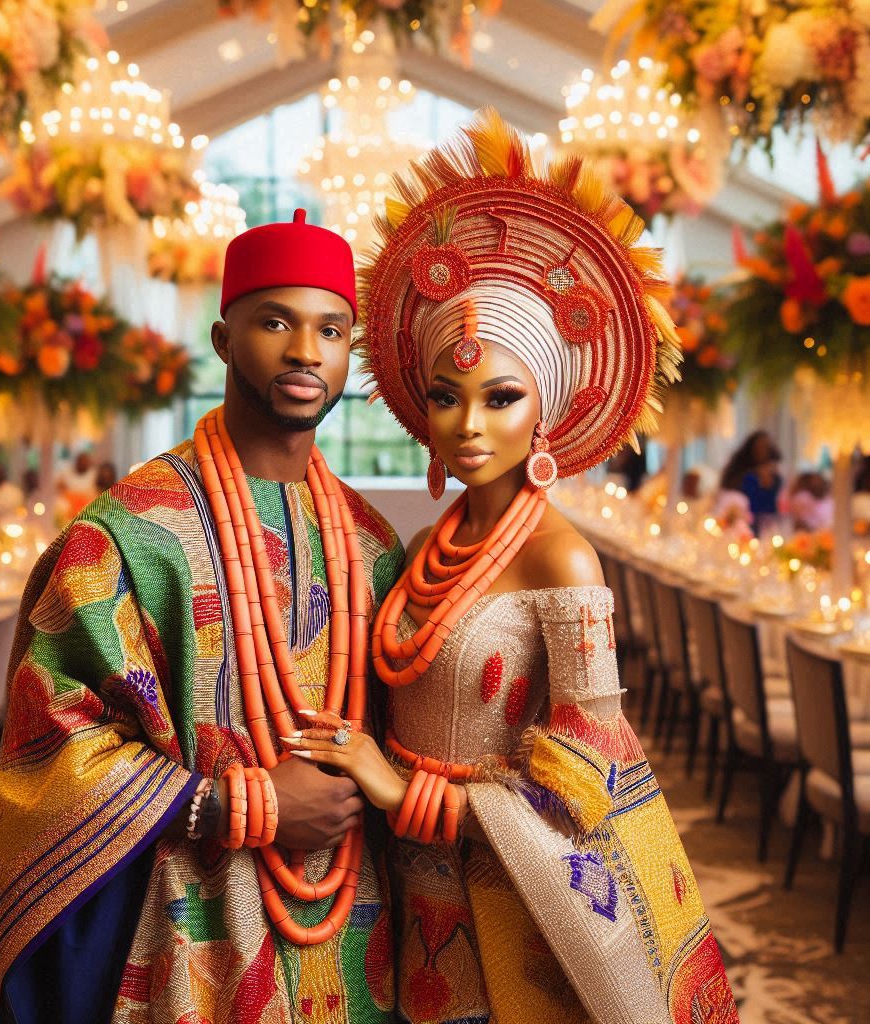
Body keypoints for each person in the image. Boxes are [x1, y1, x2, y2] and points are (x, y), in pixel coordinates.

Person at [285, 111, 738, 1023]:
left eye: (501, 396)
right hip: (405, 893)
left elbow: (589, 779)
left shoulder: (562, 557)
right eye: (446, 397)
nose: (469, 424)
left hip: (514, 912)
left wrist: (399, 788)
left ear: (548, 410)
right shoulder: (421, 550)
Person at [0, 210, 404, 1023]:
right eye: (274, 321)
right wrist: (232, 805)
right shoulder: (126, 536)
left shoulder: (371, 542)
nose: (305, 352)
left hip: (362, 932)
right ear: (222, 338)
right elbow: (53, 744)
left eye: (332, 330)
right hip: (191, 930)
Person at [717, 430, 782, 534]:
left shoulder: (775, 472)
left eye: (765, 446)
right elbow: (733, 493)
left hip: (767, 521)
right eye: (758, 447)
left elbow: (774, 502)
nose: (762, 450)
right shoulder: (741, 472)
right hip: (744, 520)